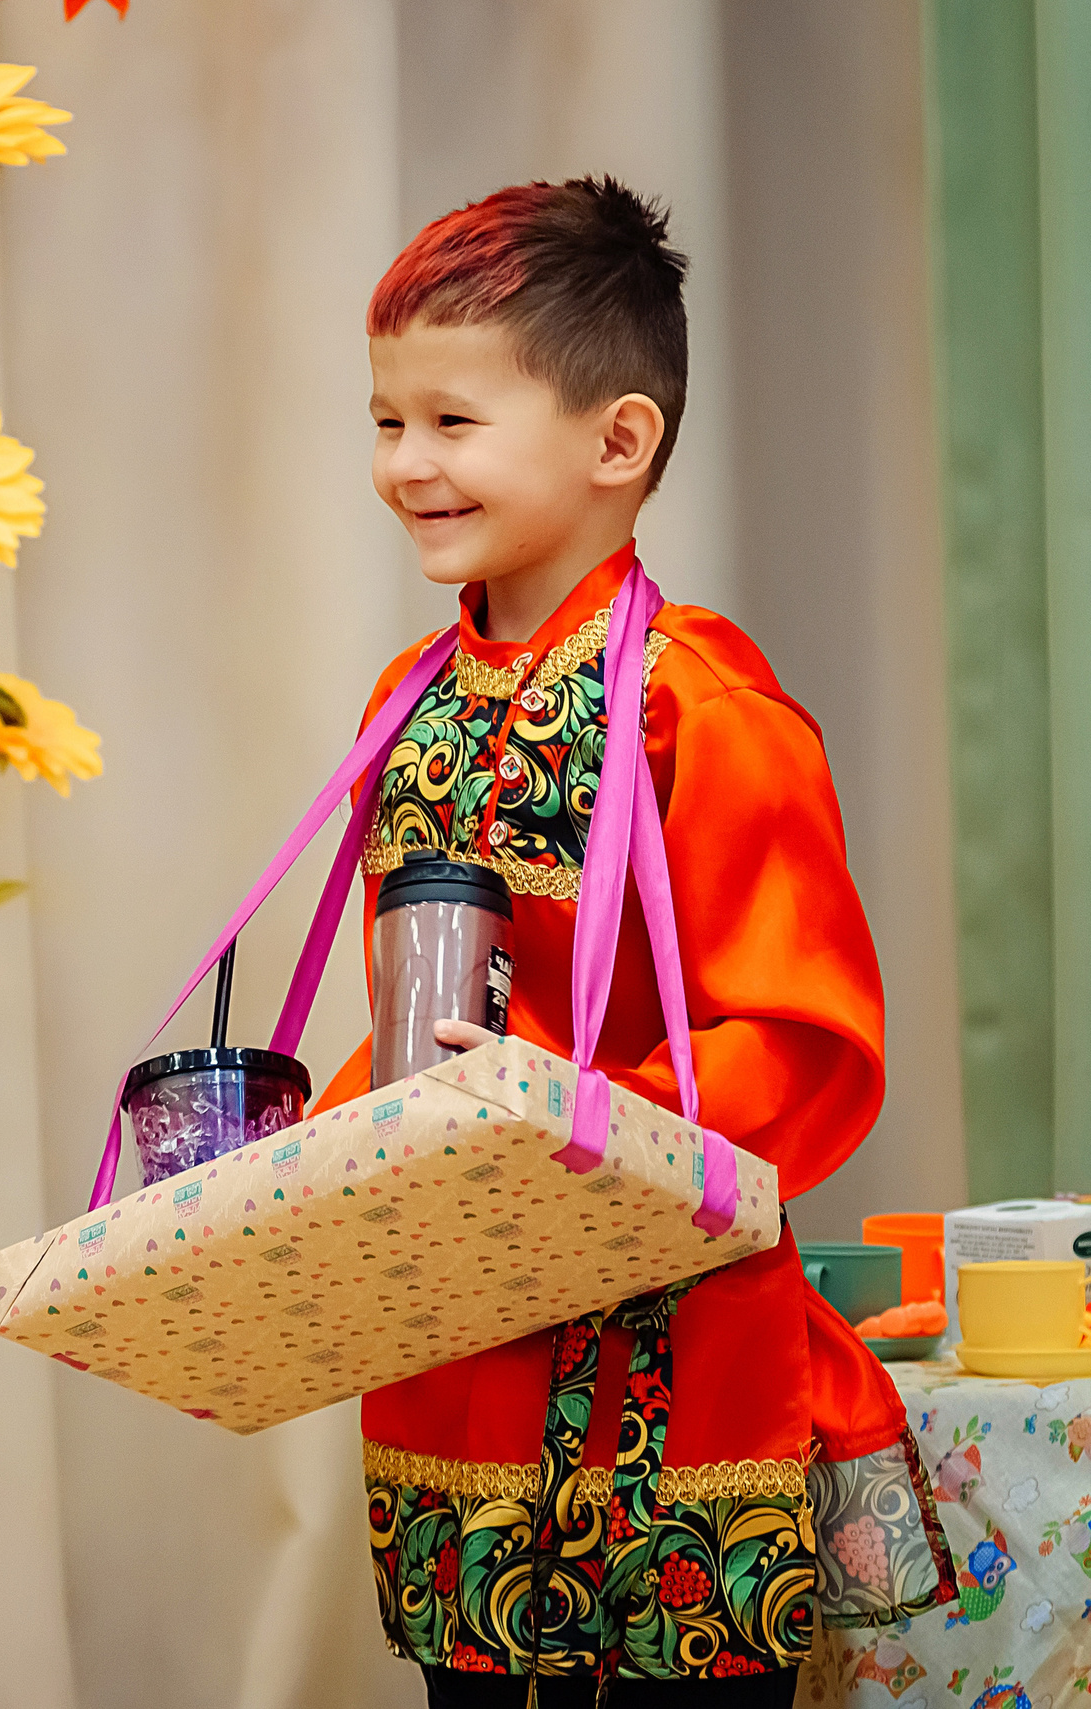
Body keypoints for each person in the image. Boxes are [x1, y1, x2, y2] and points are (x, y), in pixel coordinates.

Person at [318, 178, 955, 1705]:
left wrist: (579, 1112)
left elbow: (802, 1039)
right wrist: (310, 1170)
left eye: (453, 423)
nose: (408, 466)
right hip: (465, 1361)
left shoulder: (701, 705)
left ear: (619, 442)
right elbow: (418, 1033)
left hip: (679, 1364)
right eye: (387, 422)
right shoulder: (409, 702)